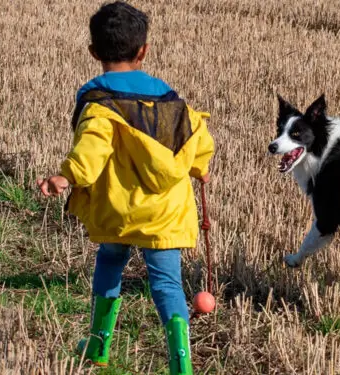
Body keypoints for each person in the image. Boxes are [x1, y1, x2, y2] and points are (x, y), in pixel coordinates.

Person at [37, 1, 214, 367]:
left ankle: (99, 345)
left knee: (110, 260)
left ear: (93, 52)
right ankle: (181, 364)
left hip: (118, 210)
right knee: (167, 283)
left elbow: (91, 150)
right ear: (143, 51)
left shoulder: (100, 104)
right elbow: (198, 135)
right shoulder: (170, 100)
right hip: (165, 212)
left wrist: (65, 176)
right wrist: (199, 166)